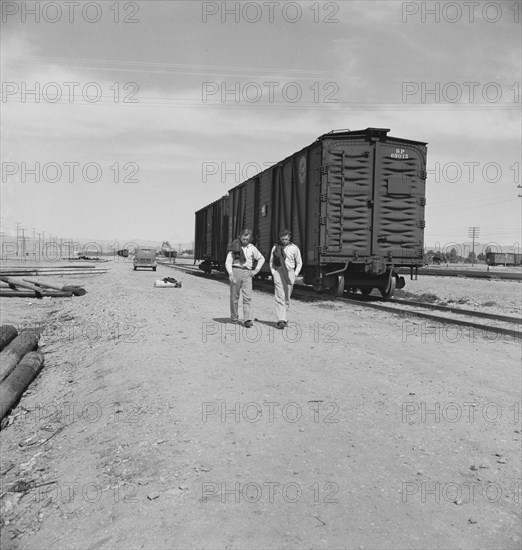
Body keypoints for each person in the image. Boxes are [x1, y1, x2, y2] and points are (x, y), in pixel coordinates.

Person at [225, 229, 265, 327]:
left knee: (247, 297)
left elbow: (261, 258)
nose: (245, 240)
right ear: (240, 237)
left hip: (247, 272)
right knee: (234, 297)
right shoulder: (234, 246)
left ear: (250, 239)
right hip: (236, 271)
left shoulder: (252, 248)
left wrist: (256, 270)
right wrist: (230, 273)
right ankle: (234, 318)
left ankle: (247, 319)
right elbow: (228, 261)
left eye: (247, 239)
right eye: (243, 238)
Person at [269, 229, 302, 329]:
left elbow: (299, 262)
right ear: (280, 238)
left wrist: (295, 274)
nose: (284, 241)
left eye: (286, 239)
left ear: (289, 238)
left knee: (287, 296)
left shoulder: (294, 248)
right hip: (279, 272)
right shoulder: (275, 247)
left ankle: (284, 317)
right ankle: (281, 320)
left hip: (290, 273)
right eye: (283, 239)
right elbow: (271, 262)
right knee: (280, 295)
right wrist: (274, 273)